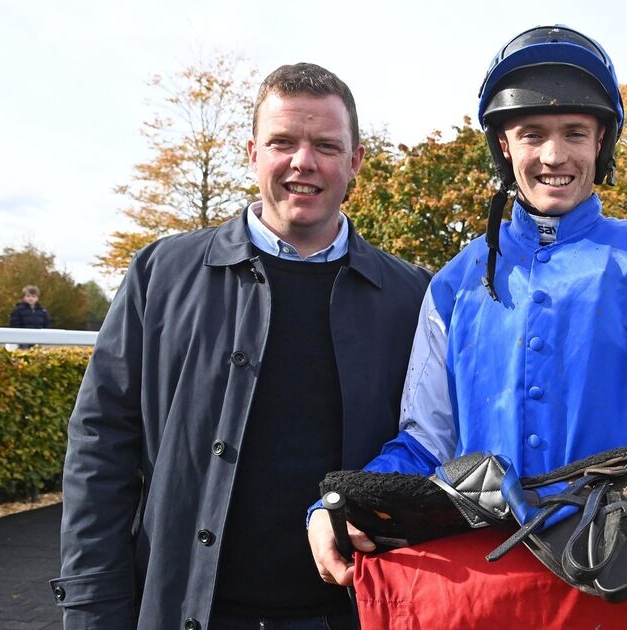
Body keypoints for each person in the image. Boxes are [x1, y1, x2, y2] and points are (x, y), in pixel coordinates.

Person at [307, 25, 627, 629]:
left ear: (602, 143)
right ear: (503, 145)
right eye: (532, 135)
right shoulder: (454, 285)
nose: (554, 156)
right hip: (485, 591)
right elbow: (424, 446)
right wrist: (335, 509)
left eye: (575, 133)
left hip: (617, 581)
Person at [50, 62, 431, 630]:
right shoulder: (162, 274)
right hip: (185, 611)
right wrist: (90, 604)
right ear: (253, 152)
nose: (304, 162)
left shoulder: (413, 297)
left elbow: (429, 447)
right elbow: (101, 446)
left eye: (326, 145)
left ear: (355, 163)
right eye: (283, 142)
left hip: (351, 613)